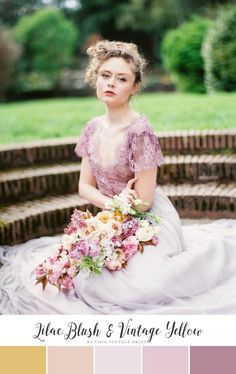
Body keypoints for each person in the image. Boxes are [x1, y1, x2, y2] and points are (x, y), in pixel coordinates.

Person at [0, 40, 236, 315]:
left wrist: (119, 210)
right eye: (105, 75)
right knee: (88, 275)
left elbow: (144, 201)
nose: (111, 83)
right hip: (113, 216)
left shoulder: (140, 131)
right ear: (95, 78)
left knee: (139, 287)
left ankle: (213, 255)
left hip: (150, 220)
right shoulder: (91, 128)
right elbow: (84, 187)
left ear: (134, 87)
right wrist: (110, 211)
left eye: (121, 78)